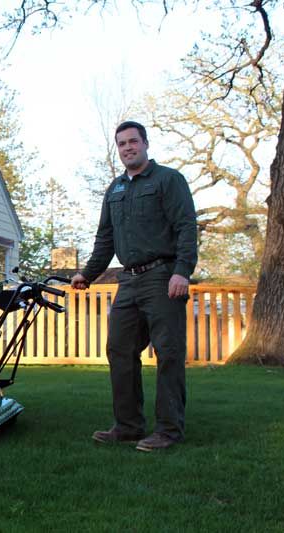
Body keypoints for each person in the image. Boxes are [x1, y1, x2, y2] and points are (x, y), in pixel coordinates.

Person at [71, 121, 197, 452]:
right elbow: (105, 238)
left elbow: (185, 227)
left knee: (168, 353)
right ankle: (128, 426)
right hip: (127, 279)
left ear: (145, 143)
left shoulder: (169, 180)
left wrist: (182, 271)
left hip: (162, 276)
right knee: (119, 350)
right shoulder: (115, 190)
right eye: (122, 143)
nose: (128, 147)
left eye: (133, 141)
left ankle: (168, 430)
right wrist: (88, 273)